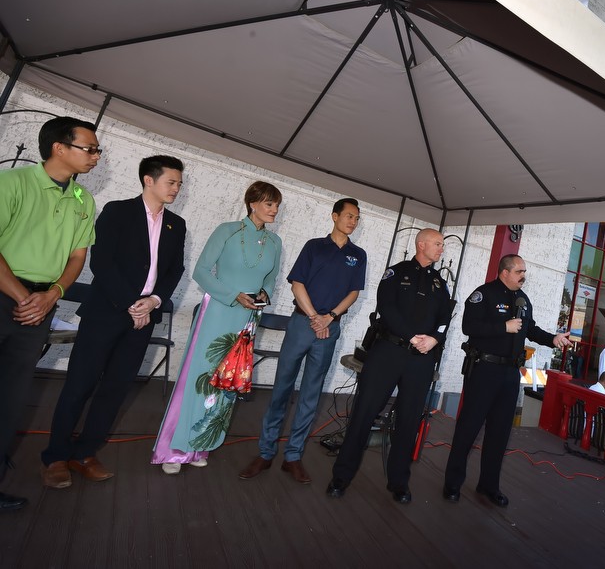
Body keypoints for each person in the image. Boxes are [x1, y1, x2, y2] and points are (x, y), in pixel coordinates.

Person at [41, 156, 186, 489]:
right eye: (171, 182)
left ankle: (85, 453)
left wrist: (153, 301)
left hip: (143, 318)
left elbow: (174, 270)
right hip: (107, 313)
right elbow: (102, 262)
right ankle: (56, 457)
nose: (177, 188)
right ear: (149, 180)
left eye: (179, 183)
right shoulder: (118, 211)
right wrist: (132, 303)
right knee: (79, 385)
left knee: (115, 389)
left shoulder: (176, 225)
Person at [0, 116, 99, 512]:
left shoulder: (83, 200)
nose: (96, 156)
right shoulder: (13, 183)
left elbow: (78, 256)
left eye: (97, 150)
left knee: (10, 399)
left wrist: (52, 295)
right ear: (60, 147)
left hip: (40, 305)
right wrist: (26, 296)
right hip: (9, 293)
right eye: (89, 148)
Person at [152, 181, 283, 474]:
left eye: (276, 205)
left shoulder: (276, 243)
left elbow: (271, 279)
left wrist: (265, 294)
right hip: (219, 312)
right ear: (252, 204)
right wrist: (233, 295)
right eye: (269, 204)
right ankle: (175, 449)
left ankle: (202, 443)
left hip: (249, 319)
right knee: (201, 376)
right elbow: (200, 270)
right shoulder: (227, 231)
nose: (274, 210)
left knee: (228, 382)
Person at [241, 198, 366, 485]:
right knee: (282, 388)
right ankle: (265, 452)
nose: (352, 221)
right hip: (301, 324)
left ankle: (293, 457)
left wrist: (329, 318)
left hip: (329, 329)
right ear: (334, 216)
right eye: (348, 216)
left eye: (356, 218)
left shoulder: (358, 255)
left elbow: (354, 293)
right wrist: (314, 317)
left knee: (311, 395)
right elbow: (297, 284)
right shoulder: (313, 246)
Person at [326, 229, 451, 504]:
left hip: (420, 359)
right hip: (388, 352)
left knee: (408, 420)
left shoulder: (440, 284)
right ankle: (341, 476)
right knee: (364, 413)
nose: (442, 249)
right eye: (438, 244)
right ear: (422, 244)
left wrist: (435, 338)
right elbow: (387, 308)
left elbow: (445, 318)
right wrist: (412, 336)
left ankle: (399, 482)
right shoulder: (397, 273)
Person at [443, 255, 570, 507]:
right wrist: (503, 327)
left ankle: (489, 485)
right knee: (469, 428)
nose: (524, 275)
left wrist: (552, 339)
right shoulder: (483, 294)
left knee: (500, 432)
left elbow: (529, 329)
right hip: (484, 370)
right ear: (504, 272)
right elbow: (470, 326)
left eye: (524, 271)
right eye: (520, 271)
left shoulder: (523, 299)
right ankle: (452, 484)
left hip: (510, 374)